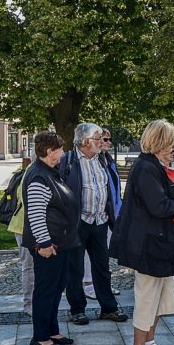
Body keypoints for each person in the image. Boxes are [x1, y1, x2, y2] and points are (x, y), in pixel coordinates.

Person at [111, 120, 174, 345]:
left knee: (161, 296)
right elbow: (157, 206)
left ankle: (149, 343)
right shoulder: (146, 167)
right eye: (170, 142)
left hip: (159, 240)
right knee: (147, 298)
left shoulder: (153, 166)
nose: (173, 147)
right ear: (159, 142)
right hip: (148, 243)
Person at [59, 123, 128, 325]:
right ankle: (77, 310)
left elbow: (111, 188)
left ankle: (109, 308)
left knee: (102, 267)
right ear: (86, 141)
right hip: (78, 222)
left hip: (100, 220)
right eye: (98, 139)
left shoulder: (103, 159)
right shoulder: (68, 161)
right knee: (75, 268)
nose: (102, 142)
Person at [23, 131, 79, 345]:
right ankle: (40, 337)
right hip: (49, 245)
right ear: (49, 152)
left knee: (56, 288)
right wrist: (44, 243)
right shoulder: (39, 176)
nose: (63, 153)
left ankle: (51, 330)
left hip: (60, 242)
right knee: (46, 290)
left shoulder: (49, 172)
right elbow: (36, 215)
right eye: (60, 149)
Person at [81, 129, 123, 299]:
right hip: (91, 214)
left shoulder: (106, 159)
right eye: (104, 139)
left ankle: (102, 286)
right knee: (88, 253)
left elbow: (113, 187)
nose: (107, 142)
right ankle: (88, 283)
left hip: (107, 213)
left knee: (102, 253)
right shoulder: (92, 160)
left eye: (108, 139)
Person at [7, 164, 34, 316]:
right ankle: (29, 304)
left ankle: (37, 301)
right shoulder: (33, 171)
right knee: (29, 266)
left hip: (31, 226)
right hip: (24, 227)